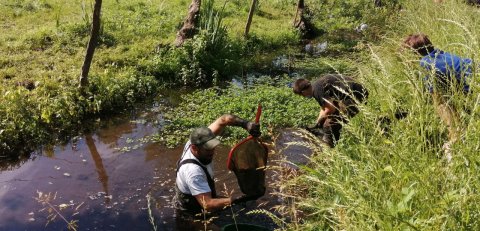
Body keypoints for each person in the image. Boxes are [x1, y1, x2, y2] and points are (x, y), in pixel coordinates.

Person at [174, 114, 261, 215]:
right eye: (207, 149)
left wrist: (246, 124)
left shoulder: (199, 140)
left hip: (202, 197)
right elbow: (208, 204)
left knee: (247, 208)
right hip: (191, 211)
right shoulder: (193, 171)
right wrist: (238, 199)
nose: (212, 151)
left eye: (213, 146)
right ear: (194, 148)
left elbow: (223, 120)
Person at [403, 33, 473, 156]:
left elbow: (440, 102)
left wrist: (454, 134)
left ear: (414, 53)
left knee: (441, 105)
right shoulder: (440, 54)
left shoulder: (426, 63)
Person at [293, 74, 368, 147]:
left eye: (301, 95)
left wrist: (322, 120)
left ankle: (329, 148)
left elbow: (330, 109)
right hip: (354, 93)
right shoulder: (316, 86)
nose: (303, 97)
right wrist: (318, 122)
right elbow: (325, 108)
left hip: (358, 96)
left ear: (303, 92)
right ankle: (330, 140)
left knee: (329, 124)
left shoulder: (317, 90)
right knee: (323, 122)